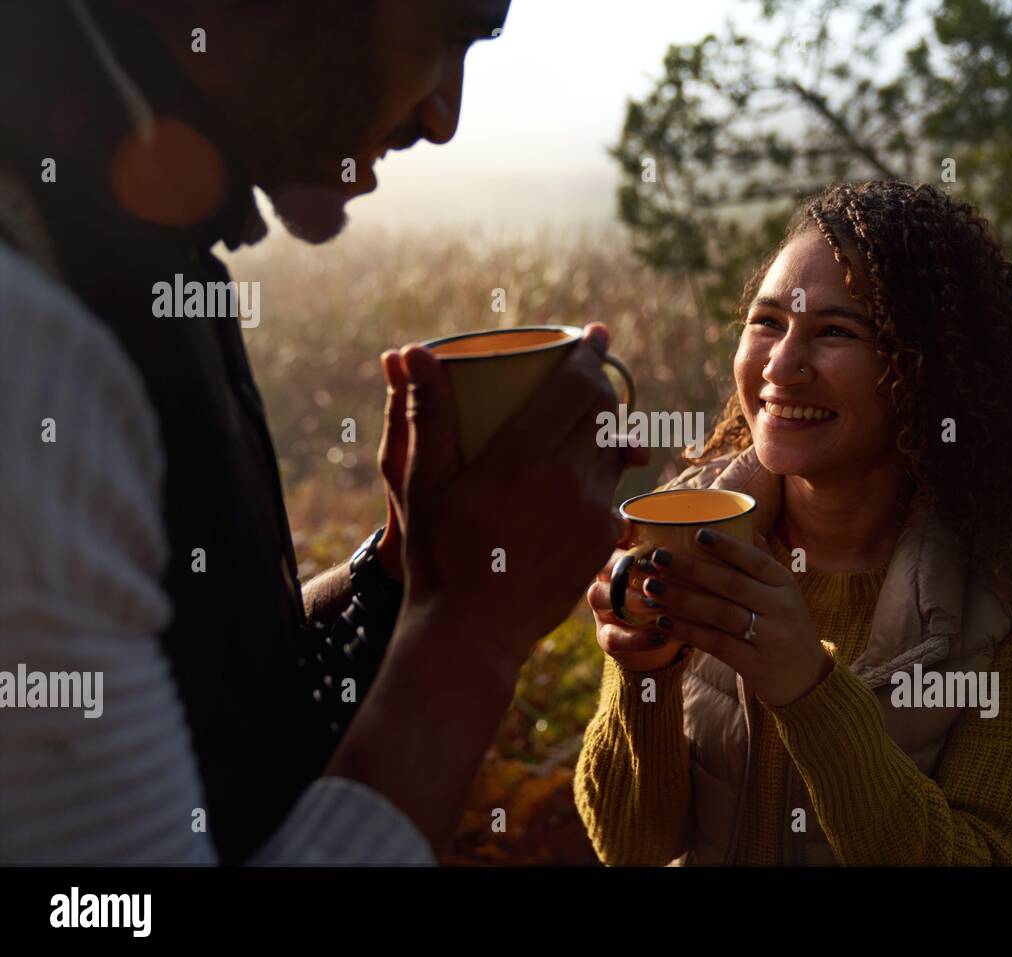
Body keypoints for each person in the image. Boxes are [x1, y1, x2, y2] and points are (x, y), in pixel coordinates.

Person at [0, 0, 645, 864]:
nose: (442, 119)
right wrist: (471, 634)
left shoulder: (115, 245)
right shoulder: (30, 339)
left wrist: (400, 573)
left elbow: (221, 717)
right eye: (450, 31)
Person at [576, 181, 1012, 866]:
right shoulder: (685, 526)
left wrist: (809, 689)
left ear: (924, 369)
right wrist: (640, 676)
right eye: (766, 323)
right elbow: (632, 844)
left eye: (835, 332)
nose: (781, 367)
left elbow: (987, 854)